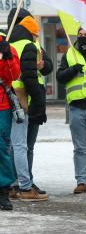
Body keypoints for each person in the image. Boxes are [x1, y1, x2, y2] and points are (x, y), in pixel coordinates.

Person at [7, 9, 50, 201]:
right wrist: (38, 104)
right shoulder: (28, 45)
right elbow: (30, 77)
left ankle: (15, 184)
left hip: (9, 97)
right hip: (24, 100)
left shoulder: (10, 43)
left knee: (15, 146)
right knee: (21, 145)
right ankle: (24, 186)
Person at [56, 28, 86, 194]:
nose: (83, 37)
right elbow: (60, 77)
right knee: (79, 148)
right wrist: (73, 69)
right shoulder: (70, 54)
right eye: (80, 35)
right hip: (76, 107)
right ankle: (81, 181)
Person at [0, 34, 21, 210]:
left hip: (2, 107)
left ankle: (3, 190)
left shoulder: (7, 47)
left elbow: (14, 74)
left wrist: (7, 57)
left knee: (2, 148)